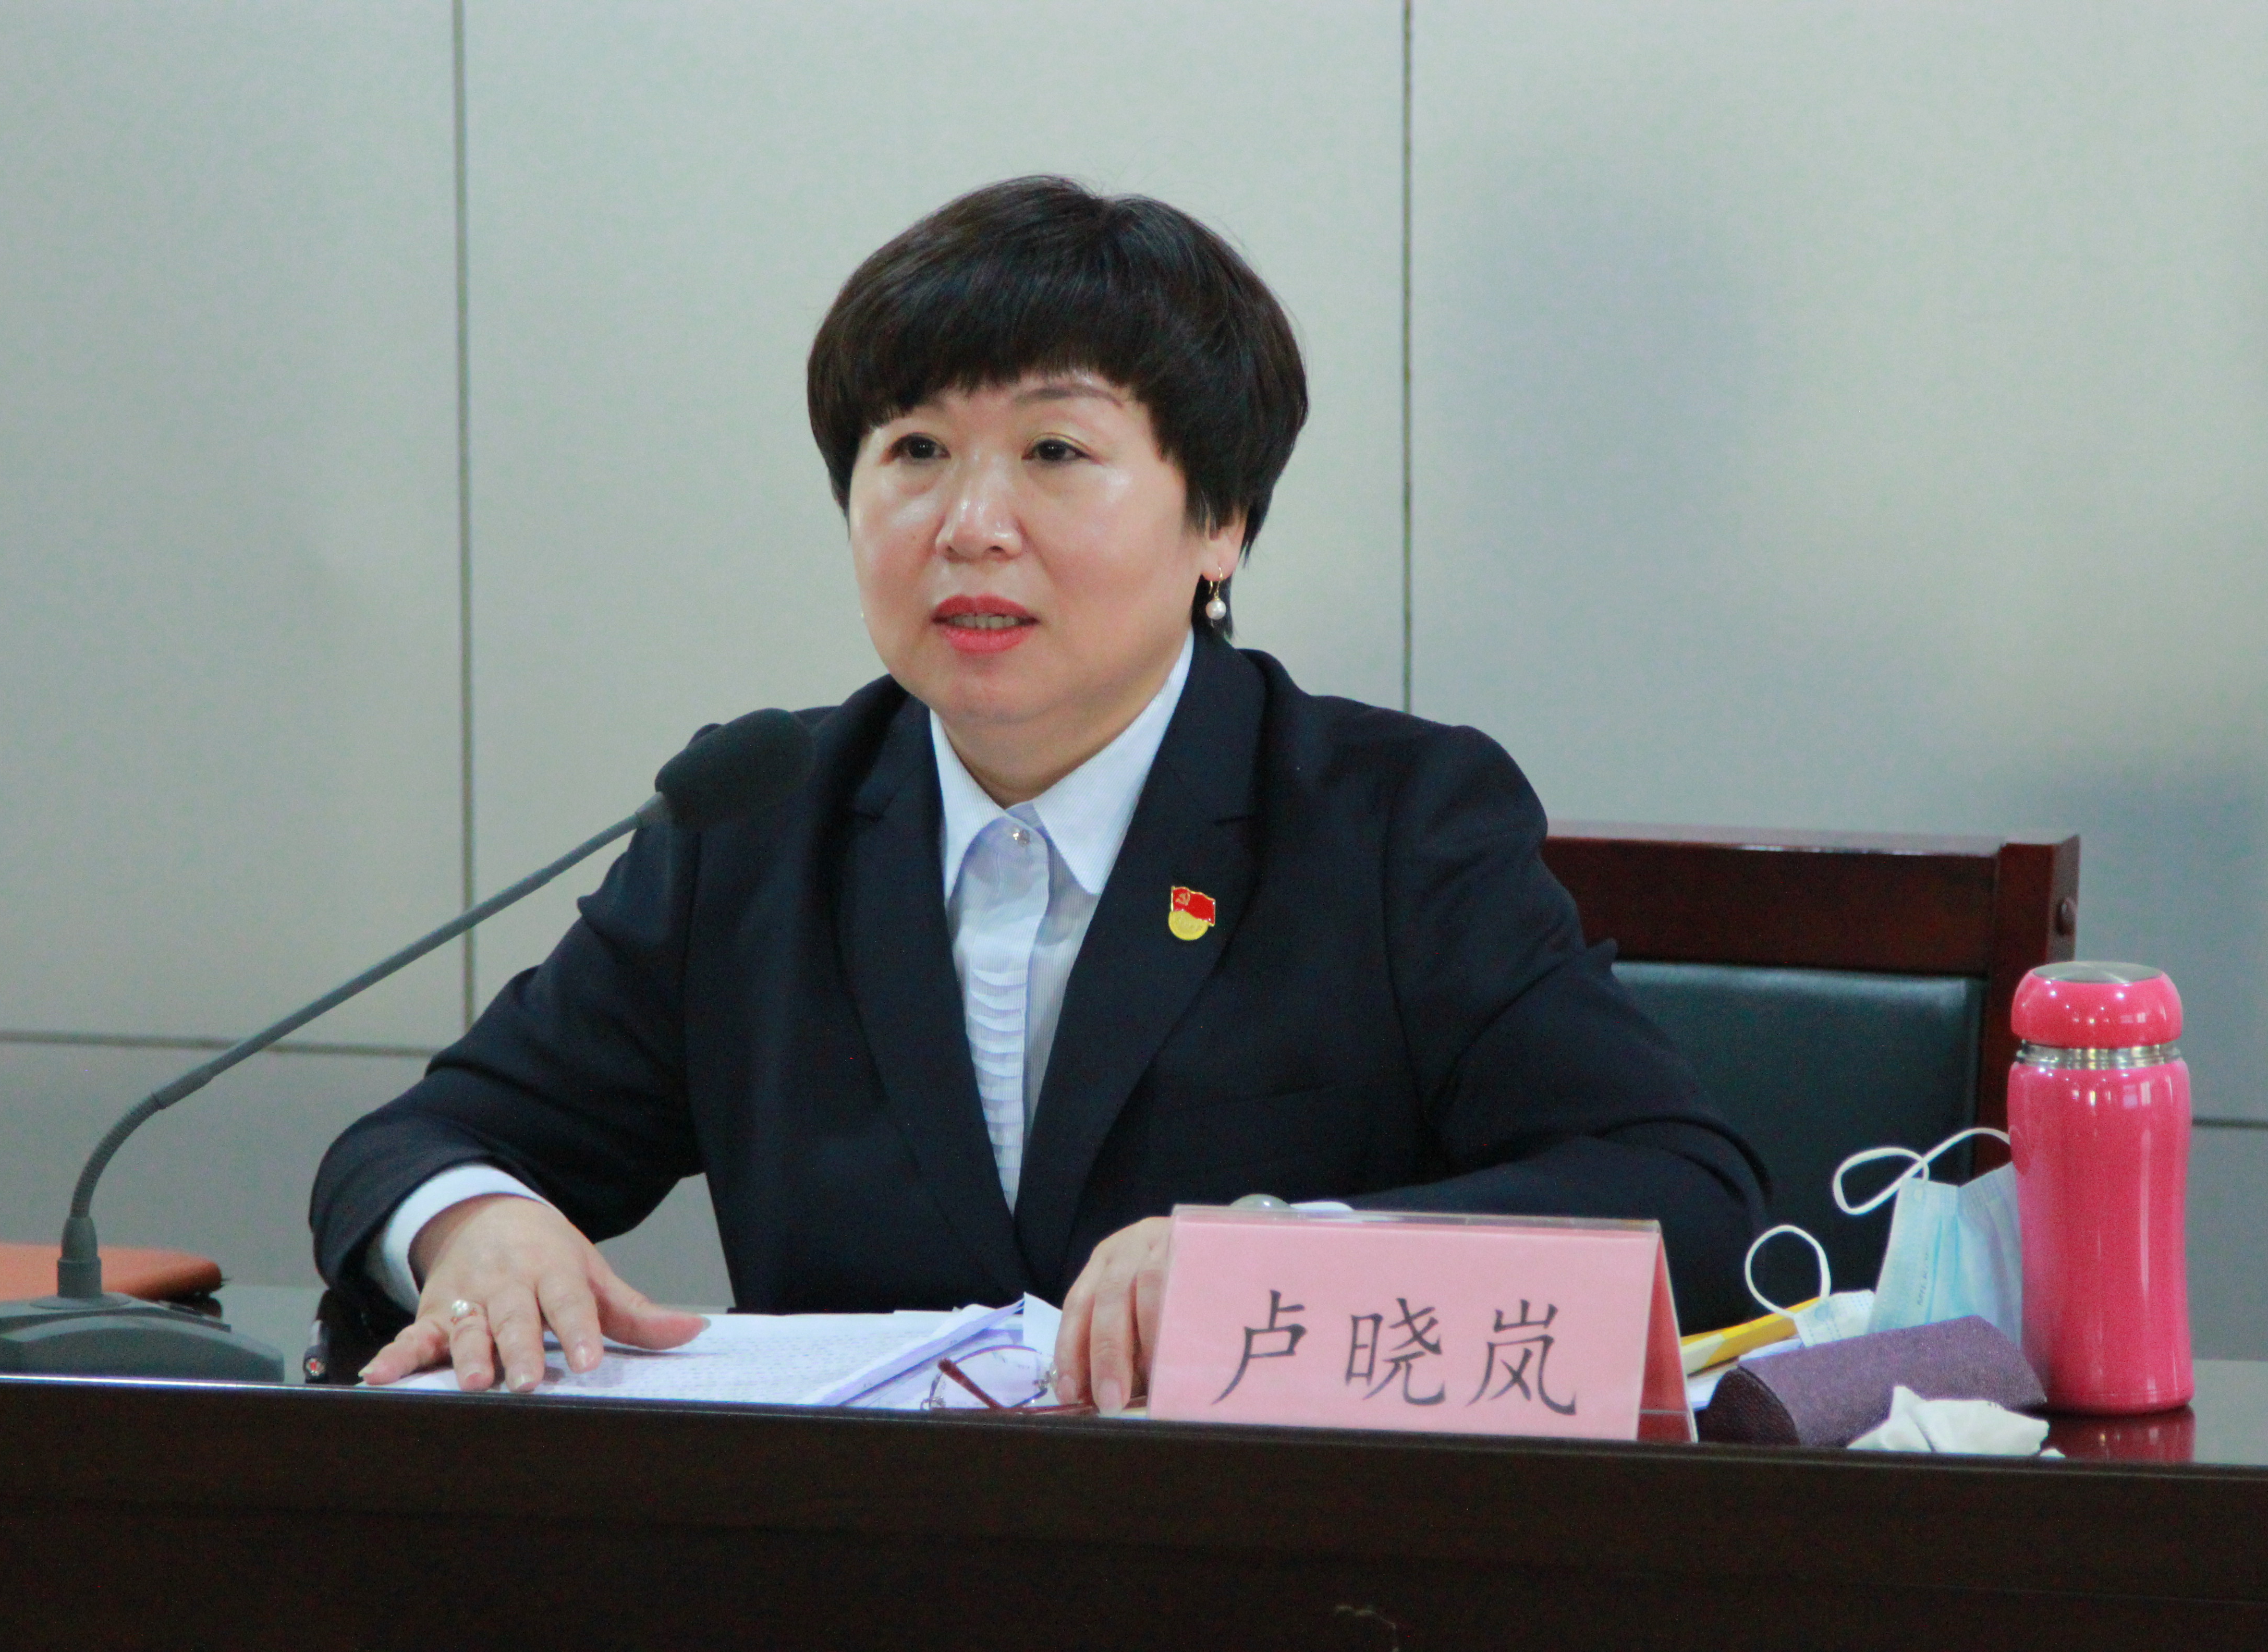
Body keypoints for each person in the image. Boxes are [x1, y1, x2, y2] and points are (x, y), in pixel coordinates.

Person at [311, 176, 1765, 1412]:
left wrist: (1286, 1255)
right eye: (915, 452)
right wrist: (471, 1225)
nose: (971, 525)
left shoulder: (1390, 820)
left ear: (1220, 522)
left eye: (1056, 452)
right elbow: (416, 1146)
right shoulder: (757, 824)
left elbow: (1686, 1200)